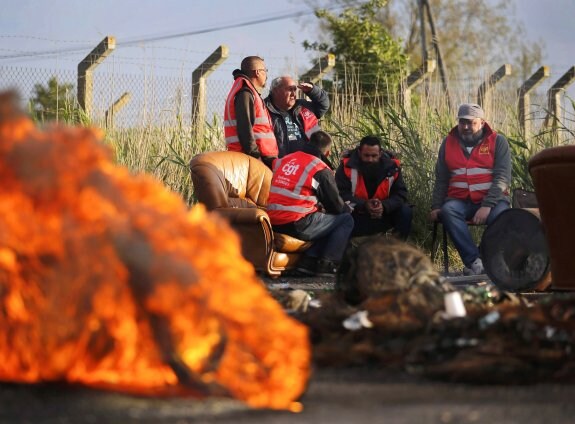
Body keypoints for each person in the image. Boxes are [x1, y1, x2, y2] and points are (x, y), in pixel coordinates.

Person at [429, 103, 511, 275]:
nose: (465, 127)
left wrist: (487, 206)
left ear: (482, 123)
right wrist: (436, 206)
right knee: (448, 210)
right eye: (462, 122)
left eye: (471, 123)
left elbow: (502, 178)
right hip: (459, 201)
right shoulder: (448, 143)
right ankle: (474, 261)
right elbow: (442, 179)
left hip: (493, 202)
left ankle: (483, 255)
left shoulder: (498, 141)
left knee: (503, 217)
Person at [266, 130, 354, 277]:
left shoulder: (285, 159)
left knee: (323, 219)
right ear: (327, 153)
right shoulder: (319, 169)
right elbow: (336, 206)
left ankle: (308, 262)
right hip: (296, 224)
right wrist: (347, 208)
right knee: (345, 220)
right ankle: (328, 264)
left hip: (272, 221)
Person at [335, 135, 412, 240]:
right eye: (366, 155)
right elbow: (340, 194)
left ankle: (396, 249)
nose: (370, 159)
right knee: (339, 214)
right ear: (359, 152)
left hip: (383, 213)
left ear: (380, 154)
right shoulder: (347, 167)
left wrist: (384, 206)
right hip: (356, 214)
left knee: (405, 211)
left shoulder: (392, 167)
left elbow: (401, 194)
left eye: (374, 156)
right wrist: (364, 204)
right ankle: (345, 253)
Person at [223, 56, 278, 168]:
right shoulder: (245, 92)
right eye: (265, 71)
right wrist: (256, 157)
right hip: (254, 159)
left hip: (255, 157)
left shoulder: (246, 90)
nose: (266, 75)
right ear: (257, 72)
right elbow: (245, 128)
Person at [264, 75, 330, 160]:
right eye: (289, 89)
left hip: (308, 164)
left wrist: (313, 90)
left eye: (295, 89)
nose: (293, 94)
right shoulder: (263, 110)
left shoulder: (302, 107)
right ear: (276, 91)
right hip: (280, 166)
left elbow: (323, 105)